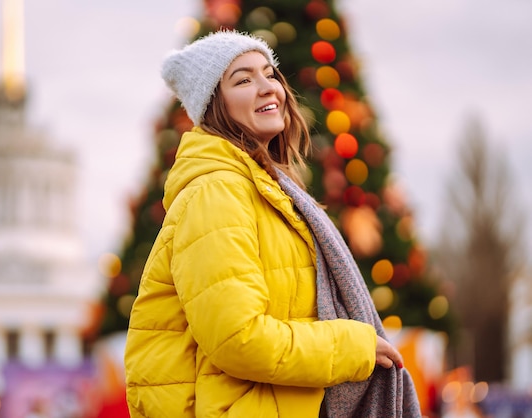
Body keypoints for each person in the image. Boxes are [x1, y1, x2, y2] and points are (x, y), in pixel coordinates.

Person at [124, 30, 421, 418]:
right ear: (214, 104)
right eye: (243, 80)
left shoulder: (267, 190)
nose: (268, 88)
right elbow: (239, 338)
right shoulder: (218, 192)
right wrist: (352, 346)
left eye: (269, 74)